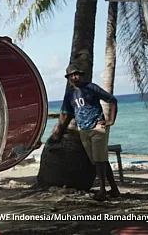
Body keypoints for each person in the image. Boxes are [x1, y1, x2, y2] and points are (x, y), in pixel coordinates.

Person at [50, 64, 120, 201]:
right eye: (71, 75)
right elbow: (66, 114)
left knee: (100, 161)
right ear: (68, 78)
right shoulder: (70, 95)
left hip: (97, 128)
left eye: (77, 74)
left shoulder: (91, 88)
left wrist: (110, 121)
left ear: (81, 76)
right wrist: (58, 133)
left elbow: (112, 100)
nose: (74, 77)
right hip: (83, 130)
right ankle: (114, 189)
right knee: (99, 161)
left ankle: (102, 190)